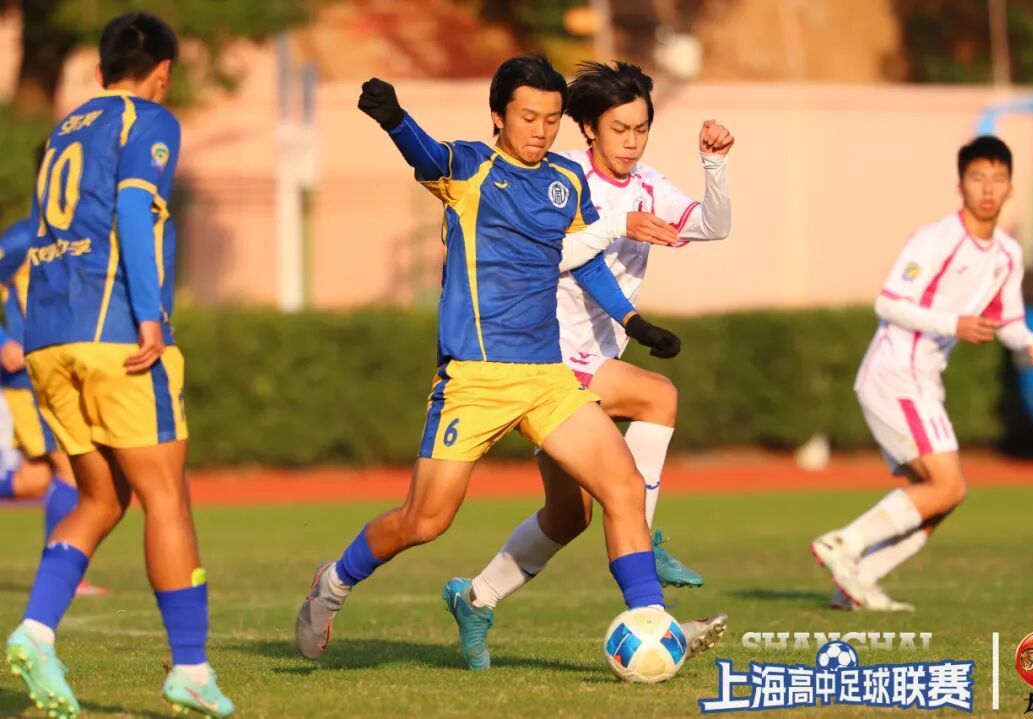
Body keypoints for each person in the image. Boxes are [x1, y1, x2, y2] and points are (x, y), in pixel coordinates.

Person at [295, 56, 686, 671]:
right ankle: (335, 581)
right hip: (474, 380)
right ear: (499, 116)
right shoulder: (471, 168)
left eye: (551, 119)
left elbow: (583, 260)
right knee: (425, 521)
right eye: (528, 117)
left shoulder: (566, 179)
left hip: (547, 377)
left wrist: (633, 322)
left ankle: (650, 622)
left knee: (623, 487)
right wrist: (394, 120)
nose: (541, 130)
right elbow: (426, 154)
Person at [445, 60, 734, 668]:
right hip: (546, 353)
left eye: (641, 129)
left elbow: (713, 226)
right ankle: (647, 550)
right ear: (589, 130)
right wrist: (615, 227)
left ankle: (476, 599)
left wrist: (715, 165)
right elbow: (541, 256)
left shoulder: (649, 184)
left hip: (593, 359)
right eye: (619, 129)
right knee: (658, 395)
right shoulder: (561, 178)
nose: (631, 142)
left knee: (568, 515)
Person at [4, 13, 233, 717]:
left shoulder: (66, 129)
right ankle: (190, 669)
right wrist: (149, 315)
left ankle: (36, 632)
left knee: (100, 498)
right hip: (115, 336)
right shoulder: (150, 119)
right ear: (163, 71)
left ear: (101, 71)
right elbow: (135, 212)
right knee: (168, 497)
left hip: (48, 341)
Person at [812, 135, 1033, 611]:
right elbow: (888, 303)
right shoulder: (936, 239)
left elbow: (1008, 320)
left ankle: (857, 583)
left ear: (1011, 187)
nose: (988, 188)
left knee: (943, 494)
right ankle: (845, 543)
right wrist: (953, 324)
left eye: (997, 179)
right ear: (960, 184)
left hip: (923, 379)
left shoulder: (1007, 254)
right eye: (977, 177)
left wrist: (1029, 342)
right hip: (896, 372)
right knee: (947, 485)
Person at [0, 212, 106, 596]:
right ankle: (64, 577)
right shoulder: (23, 237)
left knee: (36, 479)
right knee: (72, 466)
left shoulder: (89, 235)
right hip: (27, 378)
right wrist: (2, 342)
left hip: (63, 374)